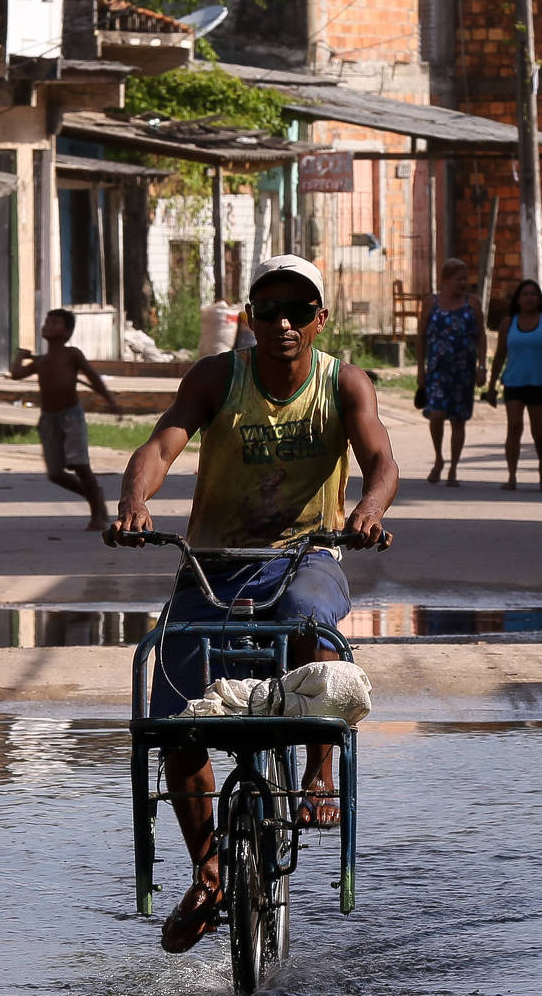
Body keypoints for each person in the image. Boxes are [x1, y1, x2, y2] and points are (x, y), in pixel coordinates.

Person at [109, 254, 398, 955]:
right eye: (268, 310)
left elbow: (382, 462)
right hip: (214, 566)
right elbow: (161, 443)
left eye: (299, 310)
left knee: (309, 617)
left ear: (320, 318)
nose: (284, 323)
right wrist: (134, 502)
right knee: (173, 717)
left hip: (307, 555)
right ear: (249, 319)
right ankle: (209, 875)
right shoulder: (217, 377)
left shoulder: (343, 382)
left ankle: (317, 772)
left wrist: (367, 509)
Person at [9, 307, 123, 530]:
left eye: (54, 323)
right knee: (55, 474)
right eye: (46, 322)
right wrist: (19, 357)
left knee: (80, 464)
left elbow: (93, 378)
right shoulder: (40, 361)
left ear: (67, 332)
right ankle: (95, 494)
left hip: (71, 416)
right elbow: (16, 374)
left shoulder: (73, 354)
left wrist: (110, 401)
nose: (47, 326)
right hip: (49, 419)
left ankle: (97, 513)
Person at [412, 258, 481, 485]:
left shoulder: (472, 303)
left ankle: (453, 467)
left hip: (463, 371)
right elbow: (421, 336)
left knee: (458, 420)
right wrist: (420, 368)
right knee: (437, 415)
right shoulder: (431, 302)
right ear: (446, 280)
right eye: (459, 279)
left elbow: (481, 336)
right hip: (437, 370)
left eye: (465, 278)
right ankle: (439, 458)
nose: (464, 283)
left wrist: (482, 366)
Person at [485, 277, 542, 491]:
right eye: (525, 294)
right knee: (514, 428)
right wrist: (491, 385)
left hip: (539, 384)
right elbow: (499, 355)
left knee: (539, 432)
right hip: (514, 383)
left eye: (533, 294)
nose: (529, 298)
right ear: (518, 299)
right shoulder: (509, 323)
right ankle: (512, 475)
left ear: (539, 298)